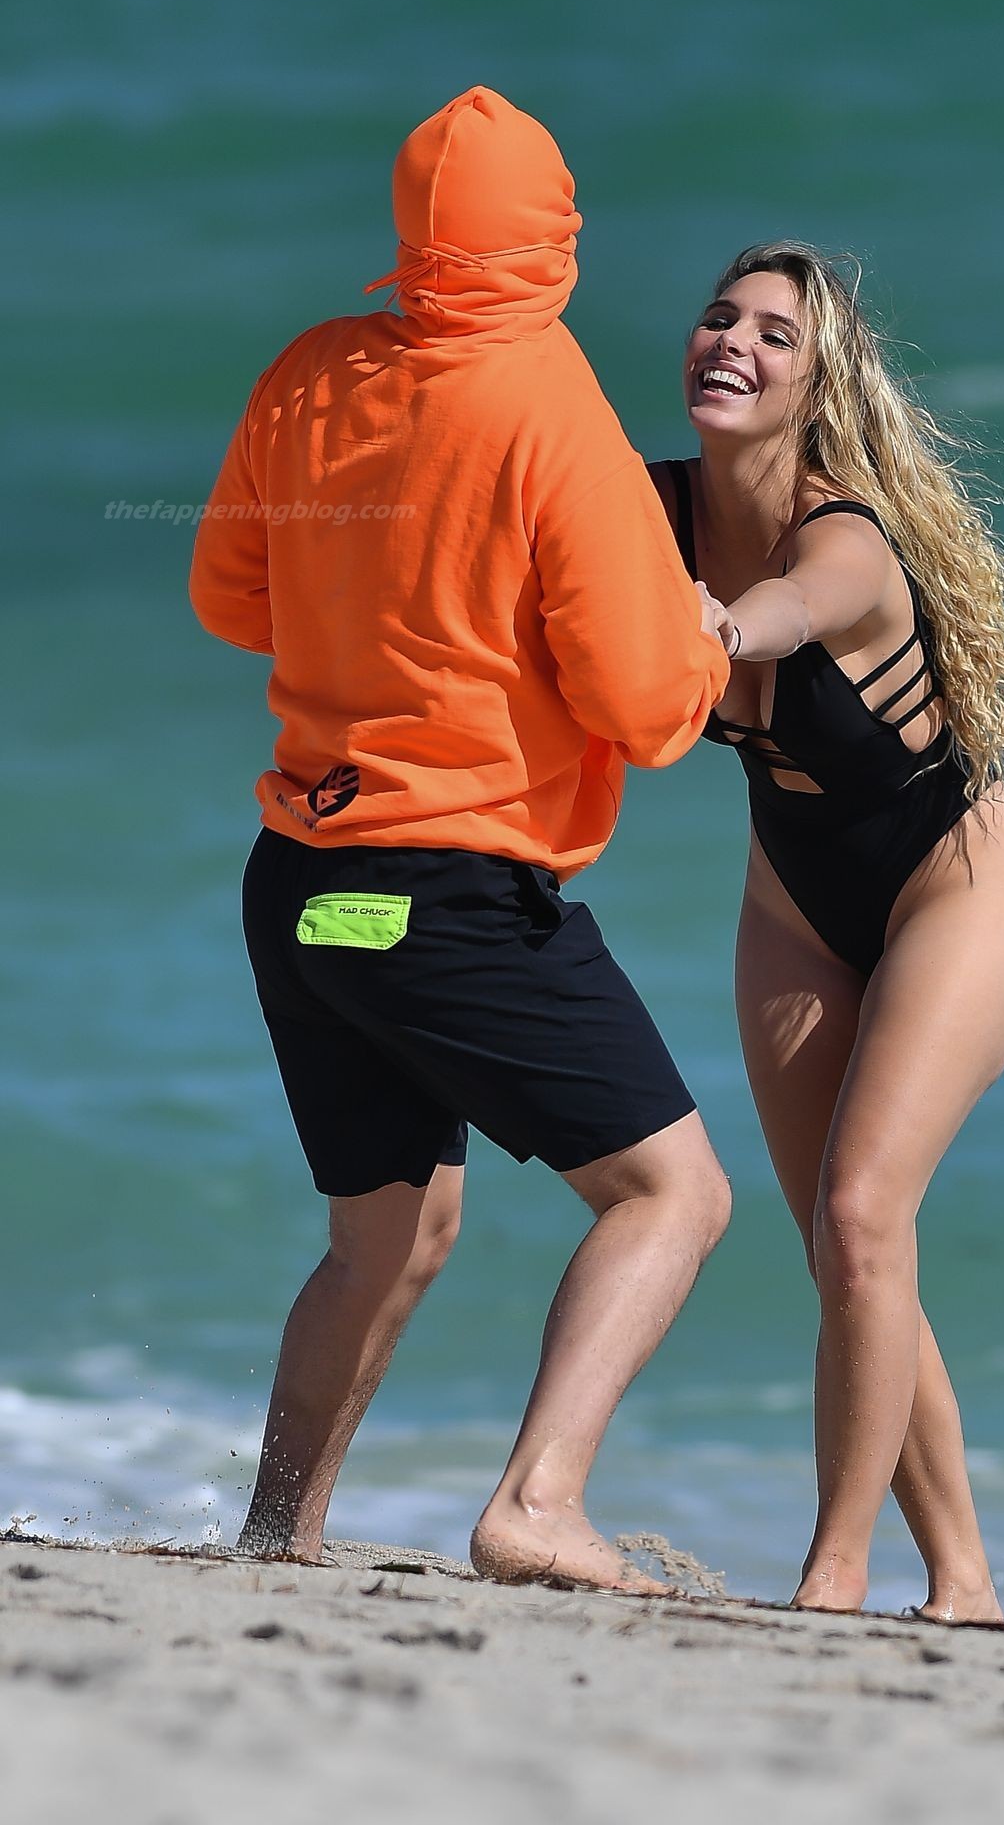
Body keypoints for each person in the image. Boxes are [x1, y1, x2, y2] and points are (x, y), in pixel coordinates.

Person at [190, 87, 732, 1593]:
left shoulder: (310, 371)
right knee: (673, 1195)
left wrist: (376, 618)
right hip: (451, 889)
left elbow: (230, 597)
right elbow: (643, 705)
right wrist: (702, 644)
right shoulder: (551, 404)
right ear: (555, 237)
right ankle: (538, 1504)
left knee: (386, 1236)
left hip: (305, 891)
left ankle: (277, 1538)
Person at [650, 242, 1004, 1622]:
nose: (734, 342)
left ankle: (835, 1575)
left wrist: (717, 625)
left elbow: (786, 613)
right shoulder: (649, 507)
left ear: (819, 387)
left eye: (777, 335)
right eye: (721, 317)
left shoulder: (846, 536)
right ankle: (967, 1582)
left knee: (861, 1212)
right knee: (845, 1250)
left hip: (954, 880)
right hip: (792, 897)